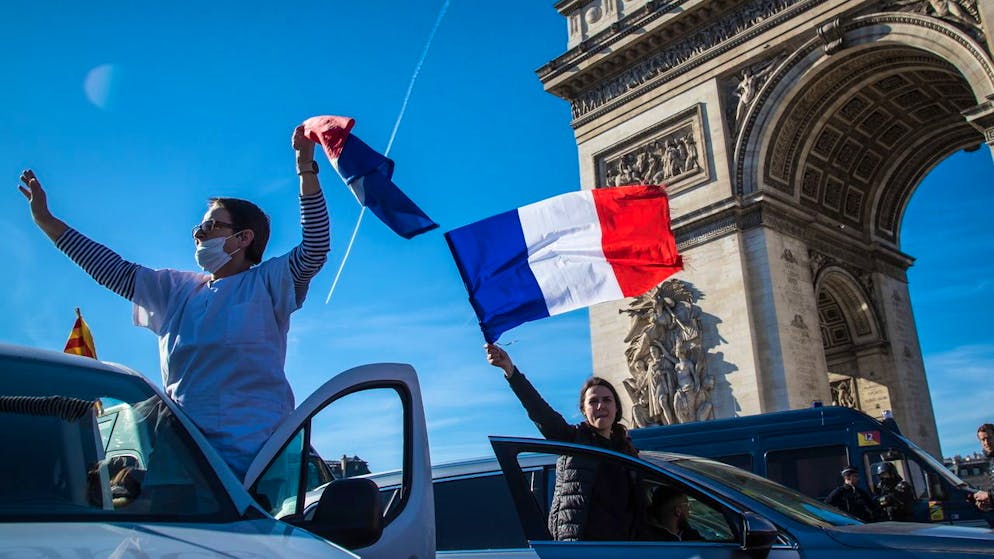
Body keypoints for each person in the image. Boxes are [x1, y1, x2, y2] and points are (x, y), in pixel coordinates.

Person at [18, 125, 330, 479]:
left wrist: (306, 167)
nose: (199, 234)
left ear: (244, 238)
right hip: (184, 462)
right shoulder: (175, 290)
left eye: (212, 226)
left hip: (262, 463)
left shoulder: (268, 282)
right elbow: (111, 269)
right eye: (198, 228)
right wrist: (46, 221)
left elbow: (315, 248)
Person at [485, 343, 639, 541]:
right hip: (583, 550)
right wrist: (511, 371)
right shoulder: (573, 440)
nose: (600, 405)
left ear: (617, 408)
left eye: (607, 400)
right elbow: (540, 411)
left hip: (629, 549)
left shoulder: (628, 451)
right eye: (593, 401)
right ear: (583, 410)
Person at [971, 423, 993, 512]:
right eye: (983, 440)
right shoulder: (991, 460)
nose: (986, 443)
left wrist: (988, 495)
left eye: (989, 438)